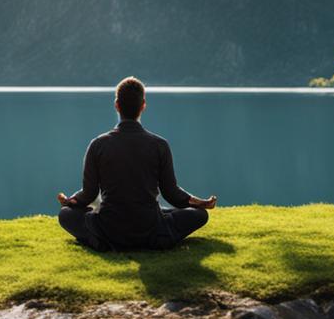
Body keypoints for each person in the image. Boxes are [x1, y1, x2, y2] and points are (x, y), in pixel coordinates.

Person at [56, 76, 217, 251]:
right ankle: (159, 237)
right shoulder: (159, 145)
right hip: (151, 230)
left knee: (66, 215)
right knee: (199, 215)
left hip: (109, 230)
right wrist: (199, 203)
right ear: (143, 106)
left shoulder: (98, 145)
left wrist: (71, 201)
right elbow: (172, 194)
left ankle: (101, 241)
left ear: (117, 105)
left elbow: (88, 194)